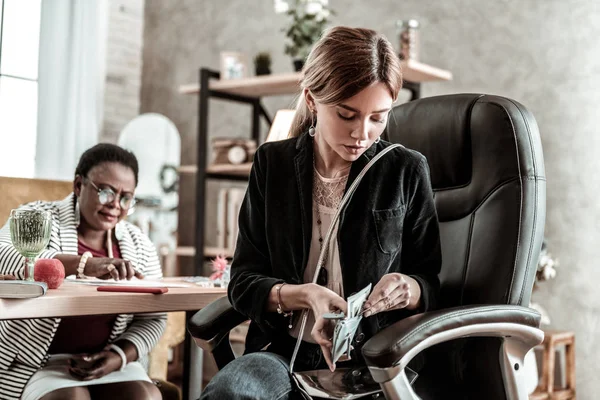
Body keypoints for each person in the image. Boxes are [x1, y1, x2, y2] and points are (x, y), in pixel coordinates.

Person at [201, 26, 442, 399]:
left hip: (374, 359)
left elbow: (430, 280)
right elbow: (243, 282)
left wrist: (407, 289)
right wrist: (303, 295)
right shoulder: (272, 165)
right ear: (312, 100)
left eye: (378, 117)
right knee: (232, 392)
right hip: (281, 354)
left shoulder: (404, 170)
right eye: (347, 115)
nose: (363, 134)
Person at [0, 144, 165, 400]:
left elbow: (154, 317)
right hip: (37, 361)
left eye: (125, 197)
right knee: (72, 398)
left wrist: (120, 355)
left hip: (109, 359)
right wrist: (85, 264)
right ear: (79, 185)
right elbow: (4, 256)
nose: (115, 205)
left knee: (144, 396)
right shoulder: (38, 216)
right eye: (106, 192)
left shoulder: (139, 244)